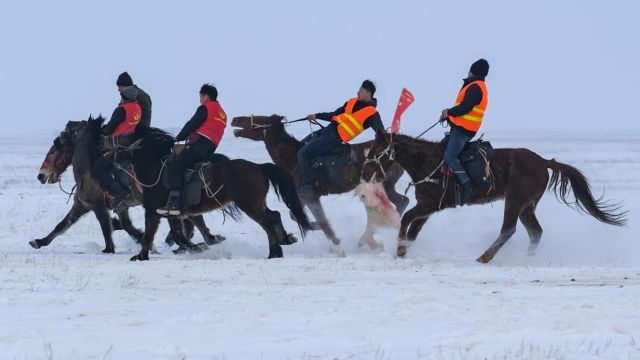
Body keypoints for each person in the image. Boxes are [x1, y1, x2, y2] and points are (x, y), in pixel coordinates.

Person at [298, 80, 384, 197]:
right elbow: (334, 115)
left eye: (361, 90)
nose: (357, 92)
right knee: (299, 146)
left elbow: (381, 133)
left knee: (302, 153)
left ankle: (309, 187)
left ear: (368, 93)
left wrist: (388, 139)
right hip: (325, 131)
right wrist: (316, 115)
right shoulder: (351, 102)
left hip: (334, 138)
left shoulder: (372, 114)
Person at [157, 84, 227, 215]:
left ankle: (173, 202)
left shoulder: (205, 108)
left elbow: (192, 124)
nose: (200, 99)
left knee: (176, 164)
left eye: (201, 96)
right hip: (210, 149)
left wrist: (178, 137)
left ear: (206, 96)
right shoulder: (222, 113)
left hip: (198, 147)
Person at [440, 58, 490, 205]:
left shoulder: (475, 87)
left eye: (470, 69)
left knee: (449, 156)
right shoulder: (477, 86)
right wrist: (448, 116)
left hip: (464, 130)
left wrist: (449, 112)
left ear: (473, 71)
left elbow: (465, 108)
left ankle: (469, 188)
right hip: (463, 127)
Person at [92, 86, 142, 208]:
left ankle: (121, 192)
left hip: (119, 148)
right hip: (132, 146)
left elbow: (109, 129)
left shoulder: (121, 110)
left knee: (97, 169)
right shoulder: (138, 108)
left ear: (123, 97)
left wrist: (99, 130)